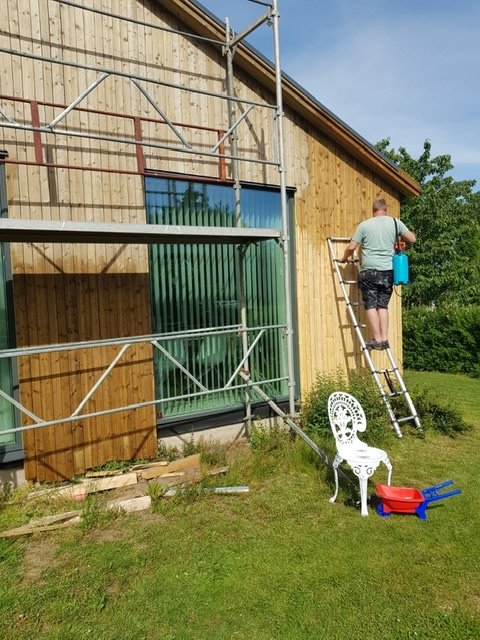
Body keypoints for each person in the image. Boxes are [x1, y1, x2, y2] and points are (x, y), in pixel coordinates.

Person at [339, 198, 416, 350]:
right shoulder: (395, 222)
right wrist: (398, 238)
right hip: (388, 272)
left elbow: (352, 246)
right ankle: (385, 339)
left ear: (373, 210)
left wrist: (344, 258)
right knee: (382, 306)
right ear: (385, 210)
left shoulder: (365, 225)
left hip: (370, 272)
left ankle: (377, 339)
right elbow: (412, 238)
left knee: (371, 306)